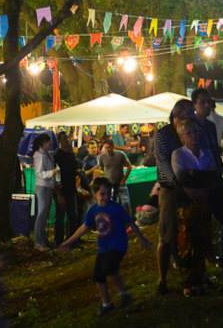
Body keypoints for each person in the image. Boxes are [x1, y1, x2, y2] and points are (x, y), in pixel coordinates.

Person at [58, 176, 152, 315]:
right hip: (103, 247)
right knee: (100, 275)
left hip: (118, 245)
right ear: (95, 194)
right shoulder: (93, 211)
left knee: (107, 269)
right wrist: (68, 242)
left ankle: (116, 299)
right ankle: (110, 301)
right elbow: (84, 227)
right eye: (102, 194)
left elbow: (130, 222)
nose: (106, 197)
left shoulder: (116, 208)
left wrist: (142, 239)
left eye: (108, 193)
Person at [191, 87, 223, 271]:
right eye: (202, 102)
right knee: (204, 222)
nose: (206, 105)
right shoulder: (190, 127)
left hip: (216, 177)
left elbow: (215, 150)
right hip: (201, 181)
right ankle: (205, 260)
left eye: (208, 101)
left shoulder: (211, 126)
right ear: (194, 104)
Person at [172, 115, 217, 296]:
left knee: (203, 240)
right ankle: (189, 282)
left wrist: (196, 177)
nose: (194, 136)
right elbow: (183, 179)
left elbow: (212, 177)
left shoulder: (207, 153)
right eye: (189, 133)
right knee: (187, 243)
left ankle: (201, 276)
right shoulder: (178, 155)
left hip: (205, 204)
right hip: (187, 206)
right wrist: (199, 178)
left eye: (196, 132)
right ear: (182, 137)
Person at [154, 100, 186, 295]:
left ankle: (190, 272)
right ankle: (162, 278)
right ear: (174, 117)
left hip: (191, 187)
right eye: (183, 114)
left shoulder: (194, 129)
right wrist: (177, 183)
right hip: (170, 188)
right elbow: (163, 162)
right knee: (166, 233)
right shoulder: (164, 135)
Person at [53, 132, 79, 246]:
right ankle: (58, 240)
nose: (66, 141)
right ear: (59, 141)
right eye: (64, 139)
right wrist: (58, 193)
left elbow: (75, 171)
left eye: (67, 139)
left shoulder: (71, 154)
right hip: (61, 189)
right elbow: (55, 174)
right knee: (60, 215)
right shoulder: (56, 155)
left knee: (72, 215)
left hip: (71, 188)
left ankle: (72, 239)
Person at [31, 134, 56, 250]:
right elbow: (39, 173)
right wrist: (52, 172)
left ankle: (43, 240)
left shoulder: (47, 154)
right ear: (42, 143)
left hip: (48, 186)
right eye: (48, 142)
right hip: (43, 187)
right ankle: (38, 241)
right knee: (41, 214)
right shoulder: (39, 155)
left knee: (44, 215)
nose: (49, 144)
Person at [97, 140, 132, 209]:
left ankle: (127, 218)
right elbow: (100, 170)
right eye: (106, 148)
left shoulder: (120, 154)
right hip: (108, 184)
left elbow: (129, 167)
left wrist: (124, 179)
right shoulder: (102, 157)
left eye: (109, 147)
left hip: (120, 183)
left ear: (113, 147)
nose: (108, 149)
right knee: (110, 203)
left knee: (125, 203)